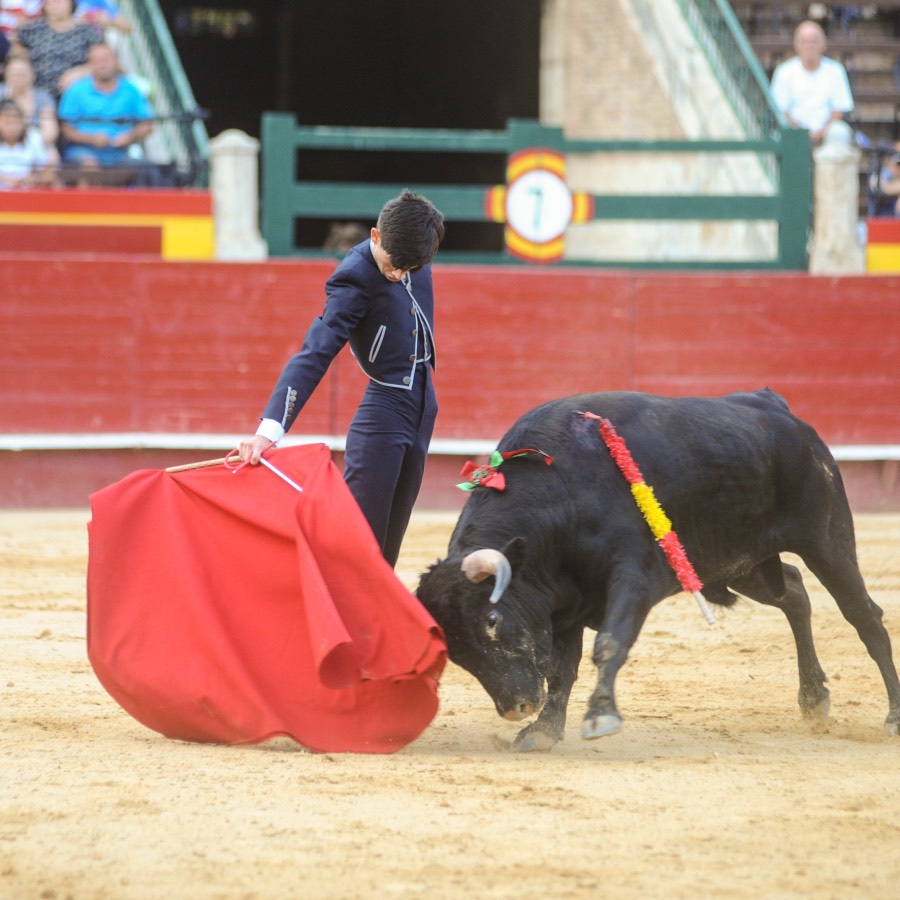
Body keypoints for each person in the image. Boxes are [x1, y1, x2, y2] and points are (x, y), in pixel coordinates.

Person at [237, 190, 446, 567]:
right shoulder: (354, 277)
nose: (398, 275)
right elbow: (316, 352)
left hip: (423, 407)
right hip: (384, 414)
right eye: (393, 265)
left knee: (387, 551)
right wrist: (269, 431)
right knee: (355, 545)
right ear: (375, 236)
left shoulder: (412, 250)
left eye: (409, 270)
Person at [57, 41, 152, 184]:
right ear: (90, 65)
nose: (102, 65)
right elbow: (65, 128)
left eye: (106, 59)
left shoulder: (131, 90)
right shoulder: (76, 90)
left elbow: (147, 125)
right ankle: (88, 206)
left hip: (120, 153)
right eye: (97, 61)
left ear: (116, 61)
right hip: (82, 151)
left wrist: (129, 136)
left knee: (149, 169)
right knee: (89, 167)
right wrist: (91, 138)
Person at [770, 19, 854, 146]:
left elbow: (839, 108)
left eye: (814, 41)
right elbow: (781, 110)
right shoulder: (784, 71)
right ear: (796, 46)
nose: (809, 46)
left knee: (840, 133)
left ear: (823, 44)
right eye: (804, 41)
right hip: (794, 129)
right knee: (777, 135)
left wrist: (822, 131)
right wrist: (801, 132)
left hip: (827, 130)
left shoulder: (836, 70)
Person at [14, 0, 101, 99]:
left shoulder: (87, 33)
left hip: (76, 94)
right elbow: (16, 55)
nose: (55, 4)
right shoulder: (31, 30)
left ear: (71, 4)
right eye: (50, 2)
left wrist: (81, 72)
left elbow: (103, 60)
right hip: (38, 96)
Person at [0, 52, 61, 166]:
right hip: (2, 143)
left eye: (23, 74)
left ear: (32, 75)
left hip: (37, 145)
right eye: (15, 74)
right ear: (6, 75)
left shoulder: (43, 97)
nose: (19, 78)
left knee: (52, 157)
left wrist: (30, 143)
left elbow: (50, 132)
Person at [0, 97, 55, 188]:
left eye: (15, 122)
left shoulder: (34, 137)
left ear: (23, 122)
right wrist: (7, 179)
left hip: (27, 193)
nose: (11, 127)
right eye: (7, 123)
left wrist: (34, 179)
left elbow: (48, 174)